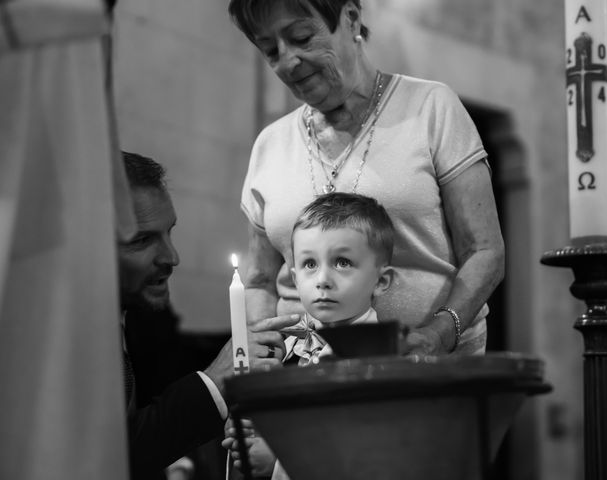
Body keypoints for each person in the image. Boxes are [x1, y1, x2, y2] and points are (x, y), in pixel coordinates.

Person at [228, 0, 505, 358]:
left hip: (429, 370)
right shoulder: (271, 144)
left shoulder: (430, 108)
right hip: (305, 376)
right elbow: (261, 281)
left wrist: (437, 335)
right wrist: (264, 355)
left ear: (351, 18)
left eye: (301, 38)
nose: (287, 62)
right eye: (270, 50)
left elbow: (485, 252)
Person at [118, 152, 300, 479]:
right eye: (142, 240)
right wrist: (215, 382)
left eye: (169, 233)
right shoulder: (59, 338)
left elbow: (172, 371)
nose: (172, 257)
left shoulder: (142, 313)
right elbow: (116, 454)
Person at [223, 192, 396, 478]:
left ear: (381, 281)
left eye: (342, 262)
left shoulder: (381, 359)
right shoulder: (286, 349)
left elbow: (367, 451)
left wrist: (279, 463)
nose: (323, 280)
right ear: (294, 278)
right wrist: (248, 437)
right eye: (309, 264)